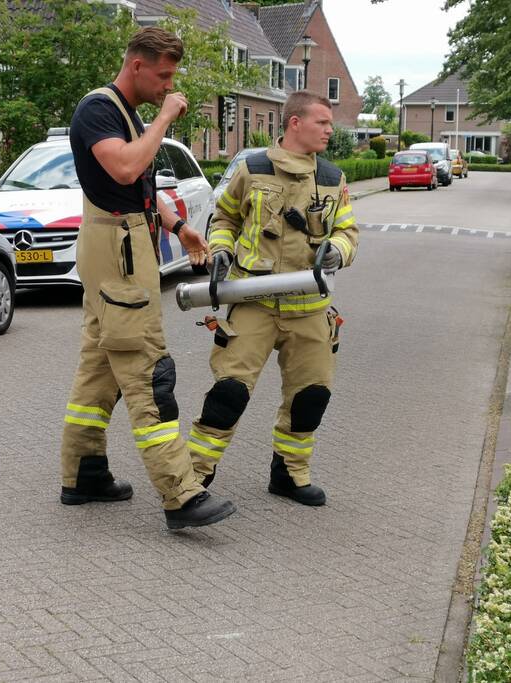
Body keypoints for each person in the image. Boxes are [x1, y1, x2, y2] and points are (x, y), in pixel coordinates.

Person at [59, 27, 235, 529]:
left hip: (122, 244)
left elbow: (140, 184)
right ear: (136, 65)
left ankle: (84, 473)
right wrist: (162, 119)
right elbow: (124, 167)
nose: (168, 86)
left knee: (99, 363)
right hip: (117, 250)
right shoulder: (98, 110)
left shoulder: (125, 113)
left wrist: (179, 228)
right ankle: (180, 494)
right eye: (163, 75)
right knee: (148, 370)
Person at [186, 91, 360, 506]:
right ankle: (191, 479)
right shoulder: (252, 168)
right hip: (254, 303)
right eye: (322, 122)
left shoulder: (334, 179)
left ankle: (290, 474)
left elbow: (349, 232)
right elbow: (224, 216)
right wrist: (221, 249)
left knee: (310, 397)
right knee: (228, 395)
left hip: (309, 309)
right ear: (294, 123)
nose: (329, 130)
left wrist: (337, 249)